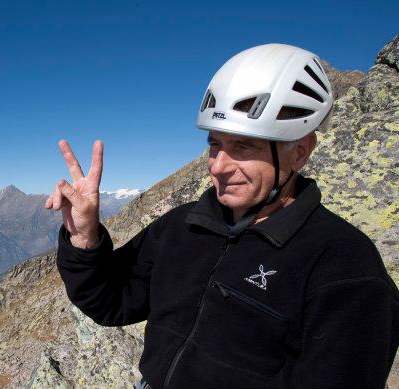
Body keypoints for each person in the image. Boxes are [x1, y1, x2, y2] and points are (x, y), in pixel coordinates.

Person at [45, 43, 399, 388]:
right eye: (215, 144)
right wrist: (84, 235)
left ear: (300, 152)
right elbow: (112, 302)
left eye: (244, 146)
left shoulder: (344, 266)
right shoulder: (183, 226)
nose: (218, 166)